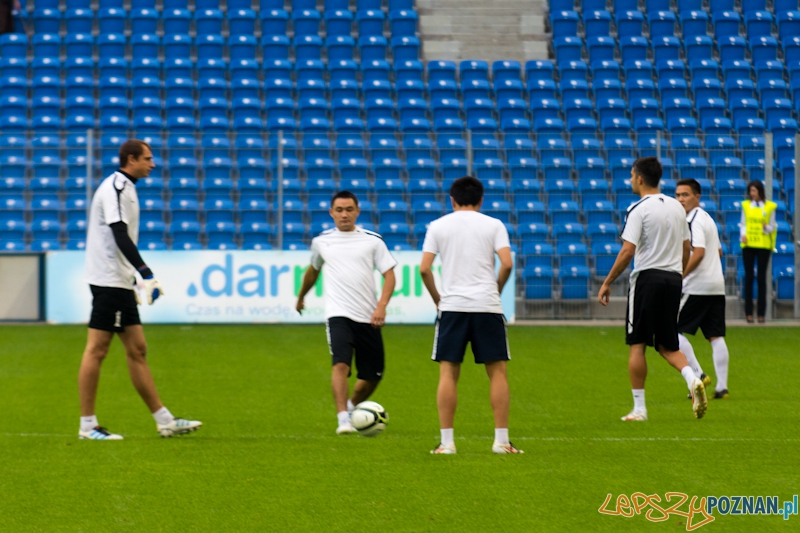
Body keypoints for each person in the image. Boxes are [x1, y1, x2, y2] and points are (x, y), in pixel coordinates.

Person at [79, 139, 202, 440]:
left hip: (119, 279)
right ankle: (88, 426)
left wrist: (133, 277)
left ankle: (164, 420)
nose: (153, 163)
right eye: (148, 158)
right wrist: (144, 272)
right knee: (97, 349)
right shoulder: (116, 188)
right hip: (108, 280)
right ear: (130, 159)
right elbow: (119, 234)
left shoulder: (127, 187)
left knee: (137, 349)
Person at [598, 157, 708, 422]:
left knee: (637, 345)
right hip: (673, 279)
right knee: (667, 344)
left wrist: (607, 281)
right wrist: (678, 275)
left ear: (639, 178)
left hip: (647, 279)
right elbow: (685, 248)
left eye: (631, 175)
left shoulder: (638, 208)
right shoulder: (676, 207)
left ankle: (639, 409)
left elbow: (628, 251)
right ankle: (692, 378)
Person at [419, 176, 519, 455]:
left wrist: (439, 300)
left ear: (451, 200)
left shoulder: (438, 226)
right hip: (487, 305)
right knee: (497, 373)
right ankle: (501, 441)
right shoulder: (494, 224)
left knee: (448, 373)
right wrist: (495, 289)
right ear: (481, 200)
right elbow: (507, 263)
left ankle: (447, 443)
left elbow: (424, 269)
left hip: (452, 307)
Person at [296, 191, 397, 435]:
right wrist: (301, 296)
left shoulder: (372, 240)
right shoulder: (322, 241)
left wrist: (381, 305)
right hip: (338, 314)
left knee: (373, 376)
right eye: (339, 210)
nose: (344, 214)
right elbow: (313, 270)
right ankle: (343, 419)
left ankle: (352, 407)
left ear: (357, 211)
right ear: (331, 213)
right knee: (340, 364)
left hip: (368, 316)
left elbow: (390, 275)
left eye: (349, 209)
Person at [675, 179, 730, 400]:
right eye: (678, 195)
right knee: (715, 336)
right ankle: (722, 387)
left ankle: (698, 375)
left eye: (685, 195)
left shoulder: (693, 220)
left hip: (696, 287)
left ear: (697, 196)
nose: (680, 199)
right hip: (716, 285)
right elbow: (718, 253)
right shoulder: (708, 219)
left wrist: (682, 275)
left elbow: (698, 252)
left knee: (669, 330)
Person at [740, 180, 777, 323]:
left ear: (760, 191)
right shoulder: (746, 205)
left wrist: (765, 227)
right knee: (749, 278)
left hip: (763, 245)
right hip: (749, 244)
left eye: (754, 191)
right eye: (750, 191)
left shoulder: (769, 207)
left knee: (761, 279)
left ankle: (761, 313)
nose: (752, 193)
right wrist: (742, 235)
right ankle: (748, 313)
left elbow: (772, 227)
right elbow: (743, 223)